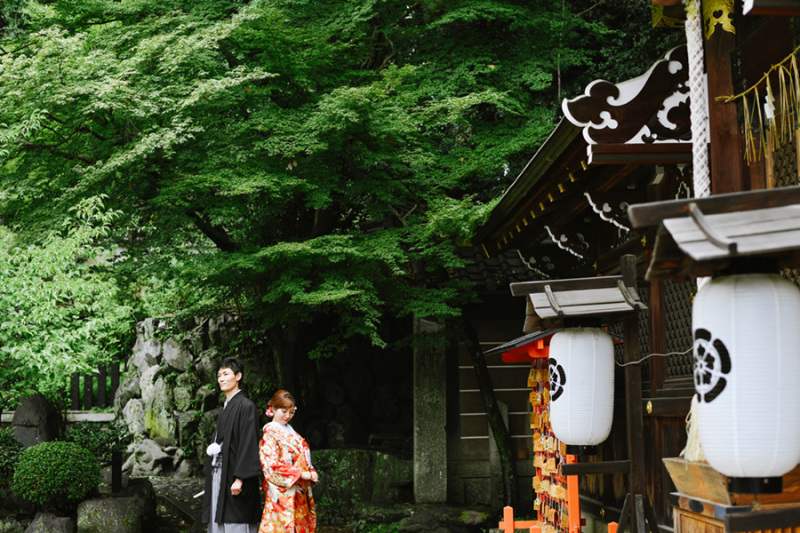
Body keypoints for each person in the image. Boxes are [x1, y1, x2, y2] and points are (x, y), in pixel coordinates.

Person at [202, 357, 263, 533]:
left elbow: (249, 443)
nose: (221, 378)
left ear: (238, 376)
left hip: (235, 474)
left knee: (236, 518)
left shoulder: (246, 406)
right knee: (219, 515)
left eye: (226, 374)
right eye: (219, 375)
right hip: (221, 470)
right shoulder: (227, 406)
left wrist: (240, 478)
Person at [259, 390, 318, 533]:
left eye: (291, 412)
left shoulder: (291, 432)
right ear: (273, 409)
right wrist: (301, 474)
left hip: (299, 491)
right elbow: (271, 466)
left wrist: (311, 470)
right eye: (283, 411)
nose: (287, 416)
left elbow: (303, 456)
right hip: (283, 493)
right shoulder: (270, 434)